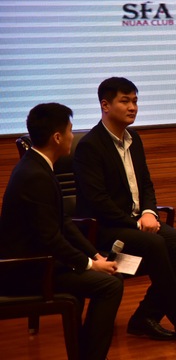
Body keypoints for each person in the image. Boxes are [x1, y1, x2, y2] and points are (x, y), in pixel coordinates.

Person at [73, 77, 176, 345]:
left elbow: (146, 183)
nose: (133, 107)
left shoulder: (134, 139)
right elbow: (98, 201)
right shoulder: (90, 146)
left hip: (135, 223)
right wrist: (135, 223)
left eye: (135, 101)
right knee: (155, 244)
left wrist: (149, 212)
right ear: (105, 105)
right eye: (125, 101)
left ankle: (146, 316)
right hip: (104, 228)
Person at [0, 103, 123, 360]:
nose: (71, 136)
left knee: (108, 277)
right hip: (28, 271)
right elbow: (51, 238)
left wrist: (94, 255)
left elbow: (64, 222)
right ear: (57, 137)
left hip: (41, 263)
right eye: (69, 130)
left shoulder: (37, 165)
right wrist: (90, 264)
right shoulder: (35, 175)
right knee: (110, 285)